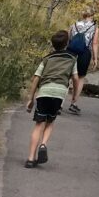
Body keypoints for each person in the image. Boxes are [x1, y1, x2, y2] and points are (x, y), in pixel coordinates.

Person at [24, 30, 81, 169]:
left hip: (44, 91)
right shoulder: (72, 58)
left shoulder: (47, 58)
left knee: (39, 124)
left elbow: (36, 78)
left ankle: (31, 159)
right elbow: (75, 78)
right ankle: (43, 144)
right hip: (59, 93)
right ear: (67, 43)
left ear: (53, 44)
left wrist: (31, 98)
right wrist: (74, 96)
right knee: (50, 121)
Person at [67, 7, 99, 113]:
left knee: (67, 76)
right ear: (92, 15)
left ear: (83, 15)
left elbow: (69, 38)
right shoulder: (94, 27)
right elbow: (94, 43)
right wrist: (95, 58)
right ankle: (73, 103)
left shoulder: (75, 24)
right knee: (80, 77)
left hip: (71, 51)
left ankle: (59, 103)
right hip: (84, 52)